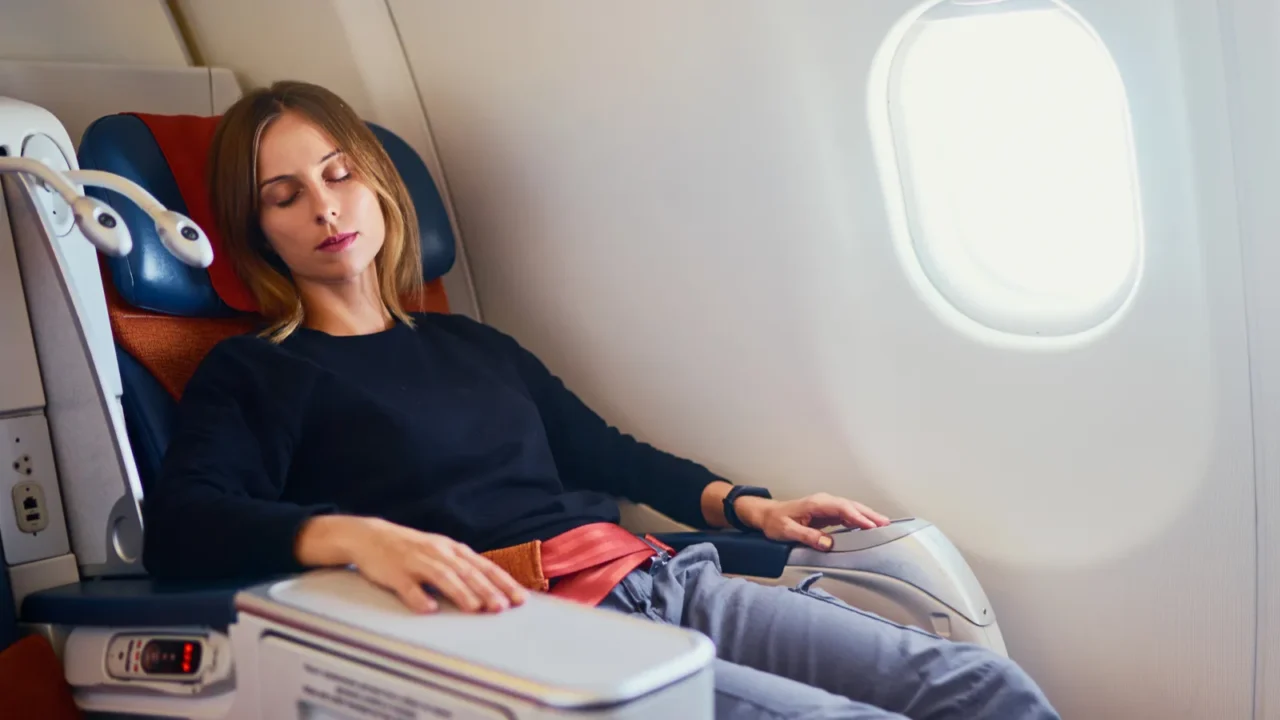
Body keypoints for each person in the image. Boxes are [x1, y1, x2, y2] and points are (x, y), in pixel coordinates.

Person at [141, 80, 1060, 720]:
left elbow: (603, 453)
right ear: (258, 232)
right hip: (522, 630)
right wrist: (357, 538)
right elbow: (184, 526)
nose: (325, 207)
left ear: (378, 183)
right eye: (285, 195)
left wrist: (748, 505)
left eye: (339, 173)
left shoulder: (471, 345)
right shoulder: (258, 372)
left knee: (984, 689)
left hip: (661, 579)